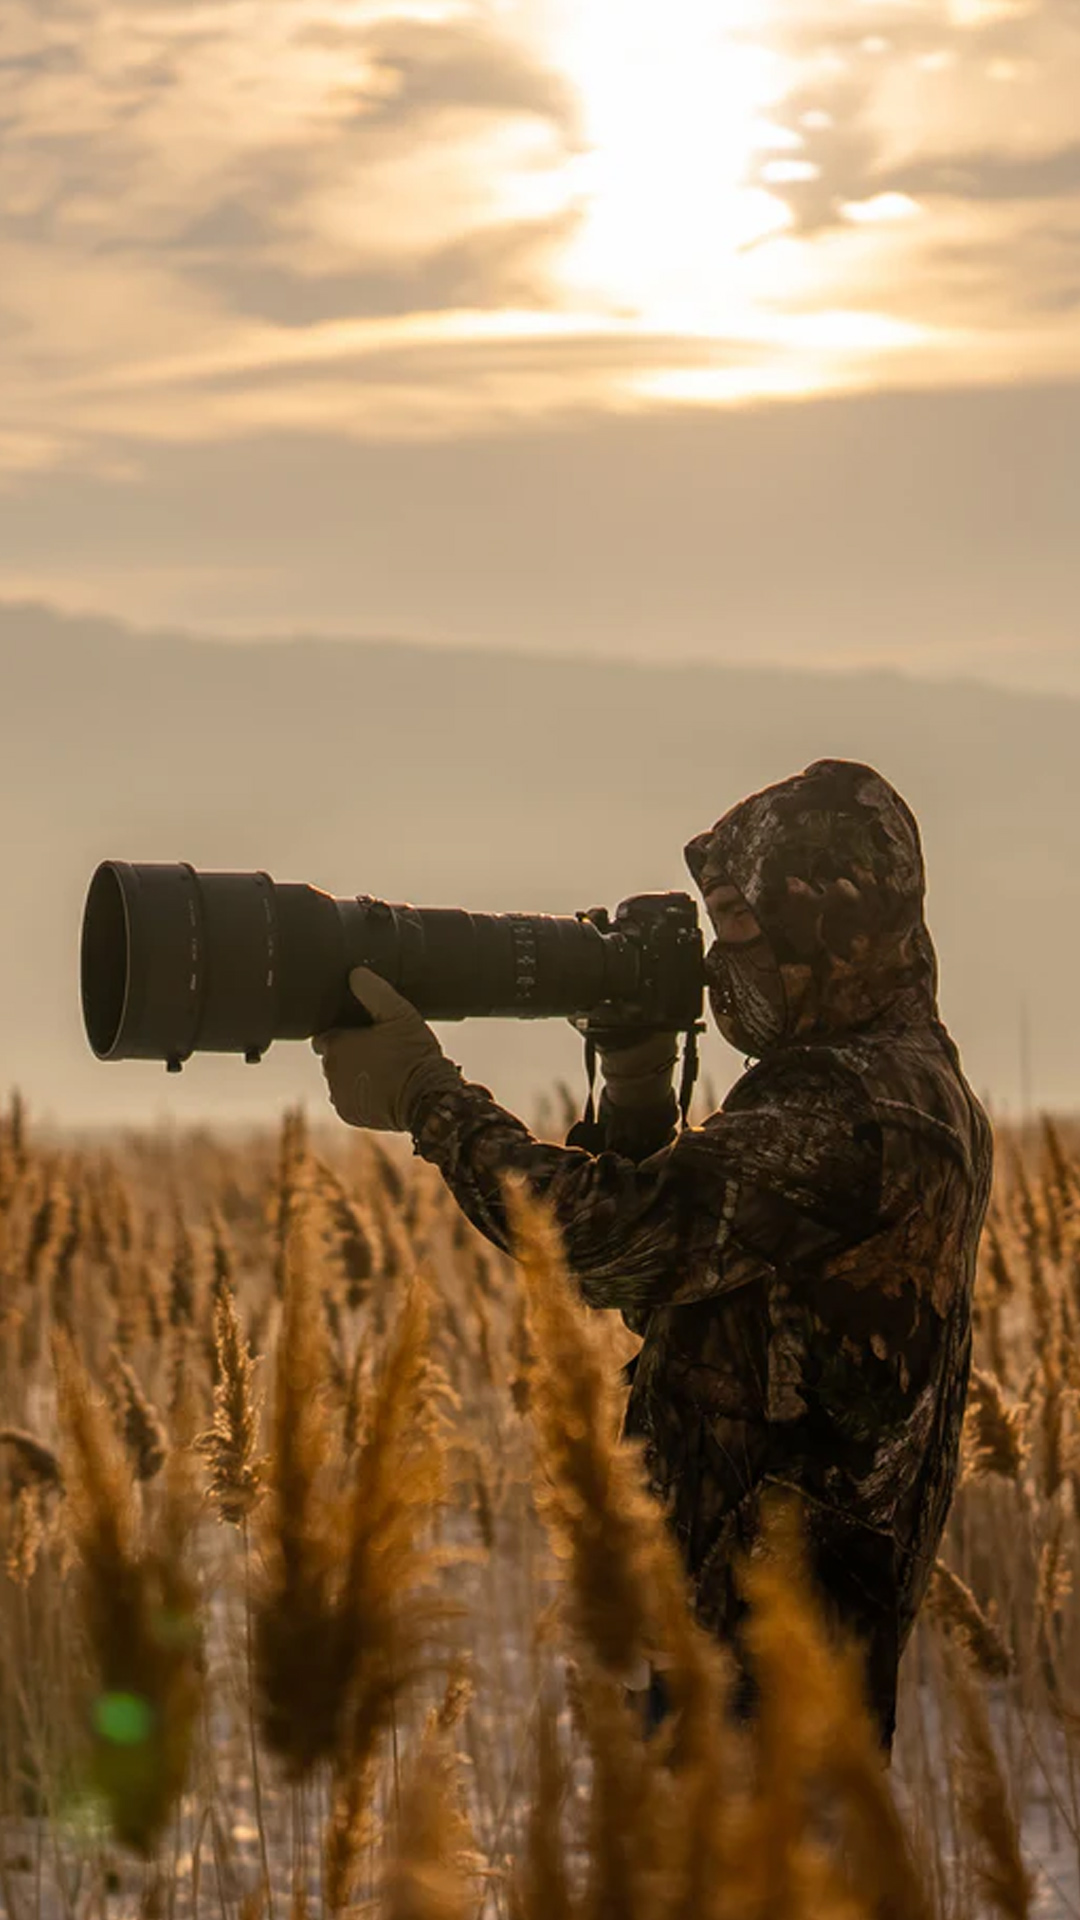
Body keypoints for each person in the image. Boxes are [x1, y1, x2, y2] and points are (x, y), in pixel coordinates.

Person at [313, 759, 992, 1750]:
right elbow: (698, 1282)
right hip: (764, 1635)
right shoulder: (896, 1080)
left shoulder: (855, 1107)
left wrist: (430, 1099)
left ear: (827, 926)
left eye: (747, 932)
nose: (724, 967)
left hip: (767, 1658)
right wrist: (635, 1102)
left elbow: (600, 1243)